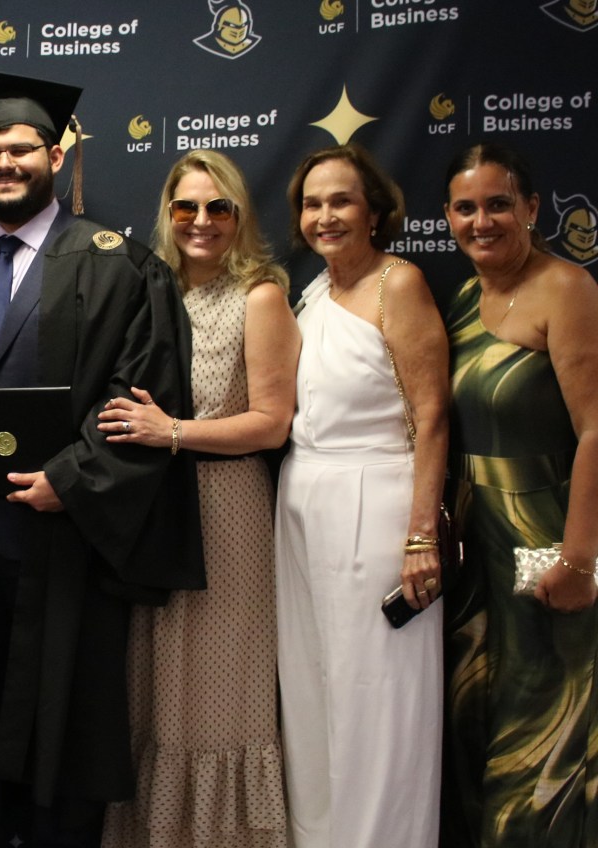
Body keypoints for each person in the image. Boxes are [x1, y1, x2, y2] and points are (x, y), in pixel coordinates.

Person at [0, 70, 204, 848]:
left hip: (64, 541)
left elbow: (141, 393)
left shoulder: (117, 266)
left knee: (63, 733)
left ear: (56, 156)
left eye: (20, 149)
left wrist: (73, 478)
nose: (3, 164)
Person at [98, 150, 298, 848]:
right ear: (168, 214)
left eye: (219, 208)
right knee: (158, 692)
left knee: (217, 695)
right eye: (186, 207)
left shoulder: (260, 296)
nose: (201, 221)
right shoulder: (149, 288)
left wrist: (173, 432)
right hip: (155, 511)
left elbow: (272, 422)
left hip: (226, 509)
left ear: (240, 216)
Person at [274, 143, 448, 847]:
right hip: (302, 503)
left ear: (374, 211)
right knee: (313, 691)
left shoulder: (397, 284)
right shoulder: (313, 291)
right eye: (312, 204)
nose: (325, 216)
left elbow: (431, 416)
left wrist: (420, 536)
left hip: (376, 504)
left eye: (340, 200)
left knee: (376, 698)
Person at [441, 142, 598, 847]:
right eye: (466, 208)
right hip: (477, 550)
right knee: (480, 717)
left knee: (545, 728)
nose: (482, 221)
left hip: (546, 536)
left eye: (499, 204)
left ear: (532, 209)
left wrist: (581, 558)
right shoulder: (463, 296)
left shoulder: (567, 288)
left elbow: (596, 430)